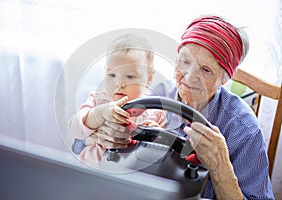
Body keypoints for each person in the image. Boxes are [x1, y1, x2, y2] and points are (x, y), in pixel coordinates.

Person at [82, 16, 275, 199]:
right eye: (185, 62)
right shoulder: (151, 94)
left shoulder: (244, 131)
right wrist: (105, 133)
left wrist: (220, 167)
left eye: (206, 70)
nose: (190, 77)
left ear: (224, 79)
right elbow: (90, 146)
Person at [68, 34, 167, 166]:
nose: (119, 83)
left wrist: (155, 134)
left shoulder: (155, 111)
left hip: (135, 175)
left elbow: (163, 153)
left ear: (149, 79)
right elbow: (75, 127)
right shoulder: (98, 100)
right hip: (93, 170)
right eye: (112, 75)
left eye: (130, 76)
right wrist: (99, 113)